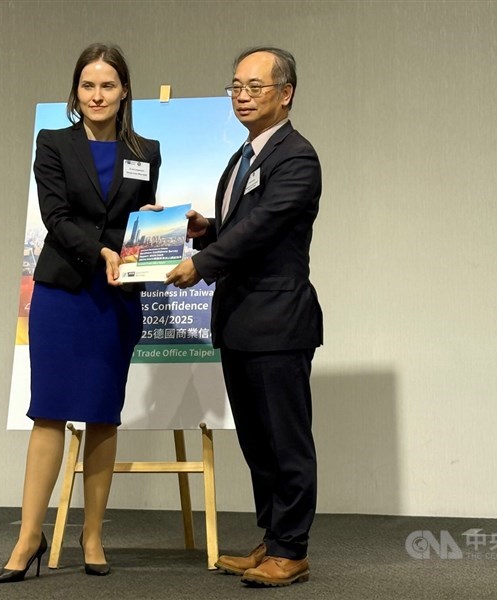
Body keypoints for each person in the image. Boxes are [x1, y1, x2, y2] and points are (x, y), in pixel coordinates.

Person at [0, 43, 161, 583]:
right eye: (88, 86)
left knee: (102, 414)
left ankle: (92, 534)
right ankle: (28, 537)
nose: (97, 95)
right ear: (76, 92)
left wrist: (152, 223)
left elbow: (136, 221)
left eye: (107, 85)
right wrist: (103, 249)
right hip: (64, 294)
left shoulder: (146, 149)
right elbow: (55, 216)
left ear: (124, 91)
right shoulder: (55, 143)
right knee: (48, 412)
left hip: (116, 297)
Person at [165, 46, 322, 587]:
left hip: (278, 321)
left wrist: (203, 261)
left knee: (286, 440)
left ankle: (292, 549)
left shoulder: (297, 156)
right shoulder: (243, 156)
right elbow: (241, 225)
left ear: (286, 93)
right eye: (236, 87)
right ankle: (272, 538)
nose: (243, 97)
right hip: (239, 321)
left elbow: (267, 226)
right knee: (258, 443)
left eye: (255, 87)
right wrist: (207, 229)